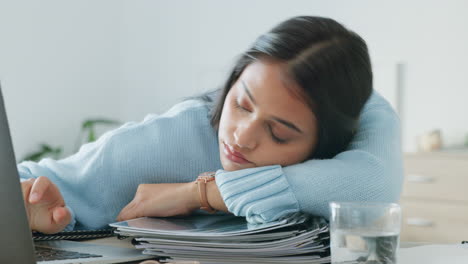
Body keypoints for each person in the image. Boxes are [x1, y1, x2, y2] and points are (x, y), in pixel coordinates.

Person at [19, 16, 403, 234]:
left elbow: (373, 187)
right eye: (241, 104)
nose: (242, 136)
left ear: (328, 141)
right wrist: (33, 214)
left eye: (279, 132)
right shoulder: (171, 139)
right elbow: (26, 182)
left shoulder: (357, 115)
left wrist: (198, 193)